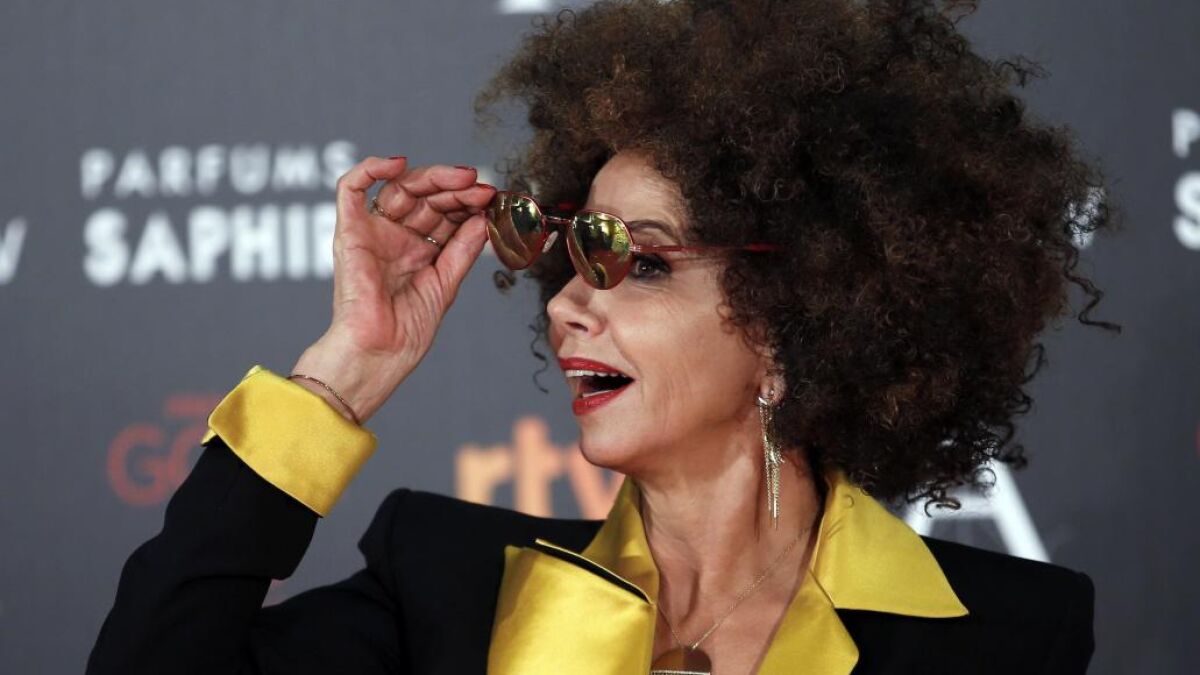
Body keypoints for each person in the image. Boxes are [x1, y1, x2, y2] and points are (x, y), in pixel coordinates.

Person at [87, 0, 1117, 673]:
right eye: (575, 255)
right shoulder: (446, 582)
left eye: (641, 261)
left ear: (793, 322)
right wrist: (346, 372)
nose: (566, 303)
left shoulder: (1013, 634)